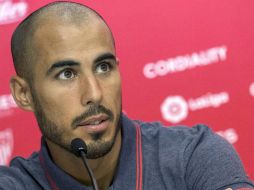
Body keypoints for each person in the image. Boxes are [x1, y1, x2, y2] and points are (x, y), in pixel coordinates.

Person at [0, 1, 253, 190]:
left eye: (103, 67)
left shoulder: (193, 156)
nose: (95, 94)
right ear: (24, 94)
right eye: (67, 74)